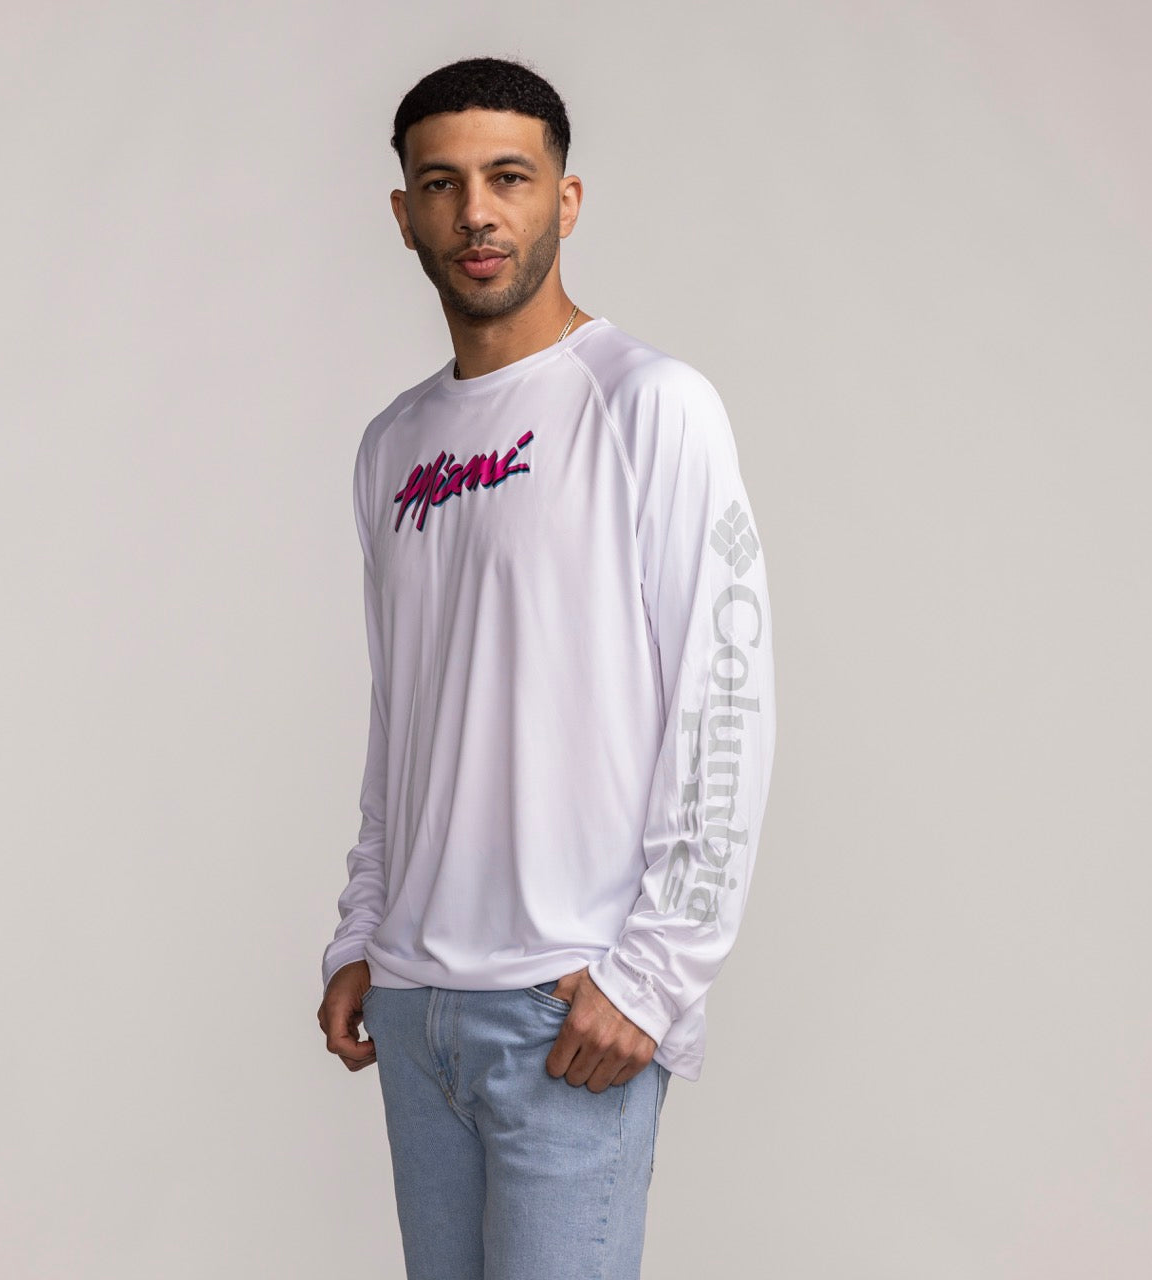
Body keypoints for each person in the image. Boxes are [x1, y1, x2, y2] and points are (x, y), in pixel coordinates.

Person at [316, 55, 777, 1280]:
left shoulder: (648, 405)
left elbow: (724, 699)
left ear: (564, 200)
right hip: (413, 1004)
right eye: (442, 183)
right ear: (404, 213)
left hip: (564, 1007)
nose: (476, 212)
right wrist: (363, 926)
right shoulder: (392, 445)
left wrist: (653, 980)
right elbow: (405, 713)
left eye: (508, 178)